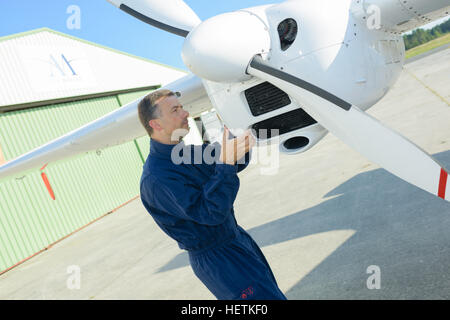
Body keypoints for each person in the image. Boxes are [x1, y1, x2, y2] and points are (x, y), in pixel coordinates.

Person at [138, 89, 287, 300]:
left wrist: (234, 125)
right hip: (219, 259)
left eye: (182, 107)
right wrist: (225, 163)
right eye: (175, 110)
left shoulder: (186, 152)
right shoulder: (157, 178)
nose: (185, 113)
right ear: (156, 124)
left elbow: (236, 160)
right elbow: (210, 213)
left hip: (236, 240)